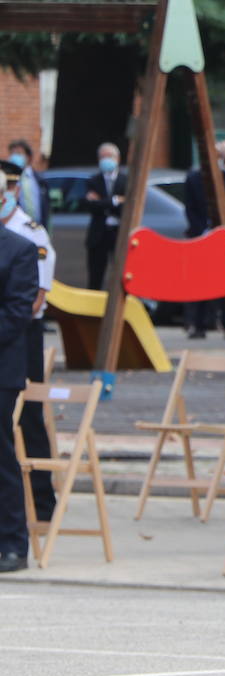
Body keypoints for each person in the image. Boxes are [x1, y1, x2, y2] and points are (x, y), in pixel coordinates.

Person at [3, 160, 56, 522]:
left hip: (21, 337)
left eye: (10, 187)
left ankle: (41, 498)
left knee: (29, 419)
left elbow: (34, 297)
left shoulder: (29, 234)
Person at [0, 222, 39, 573]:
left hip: (1, 371)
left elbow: (16, 313)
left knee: (1, 458)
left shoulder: (20, 249)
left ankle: (12, 544)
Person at [184, 140, 225, 339]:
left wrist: (223, 228)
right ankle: (197, 324)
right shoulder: (193, 178)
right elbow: (189, 208)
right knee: (199, 281)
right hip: (199, 235)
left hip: (222, 235)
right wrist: (201, 230)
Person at [83, 142, 126, 291]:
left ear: (118, 159)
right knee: (95, 278)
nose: (105, 160)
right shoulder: (92, 181)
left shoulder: (126, 180)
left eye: (109, 156)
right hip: (98, 235)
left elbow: (127, 206)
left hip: (119, 233)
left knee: (121, 275)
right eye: (102, 157)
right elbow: (91, 206)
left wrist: (101, 202)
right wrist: (114, 201)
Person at [7, 139, 49, 227]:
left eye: (18, 153)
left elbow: (47, 210)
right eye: (12, 153)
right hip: (17, 229)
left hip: (38, 227)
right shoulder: (7, 180)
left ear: (28, 157)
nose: (15, 157)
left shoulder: (40, 180)